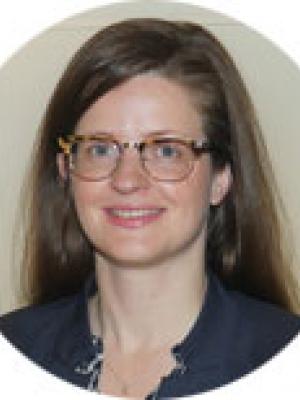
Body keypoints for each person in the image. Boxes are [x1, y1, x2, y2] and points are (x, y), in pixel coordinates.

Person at [0, 18, 299, 399]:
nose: (127, 180)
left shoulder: (282, 357)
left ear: (221, 177)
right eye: (100, 149)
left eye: (167, 150)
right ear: (66, 172)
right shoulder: (14, 348)